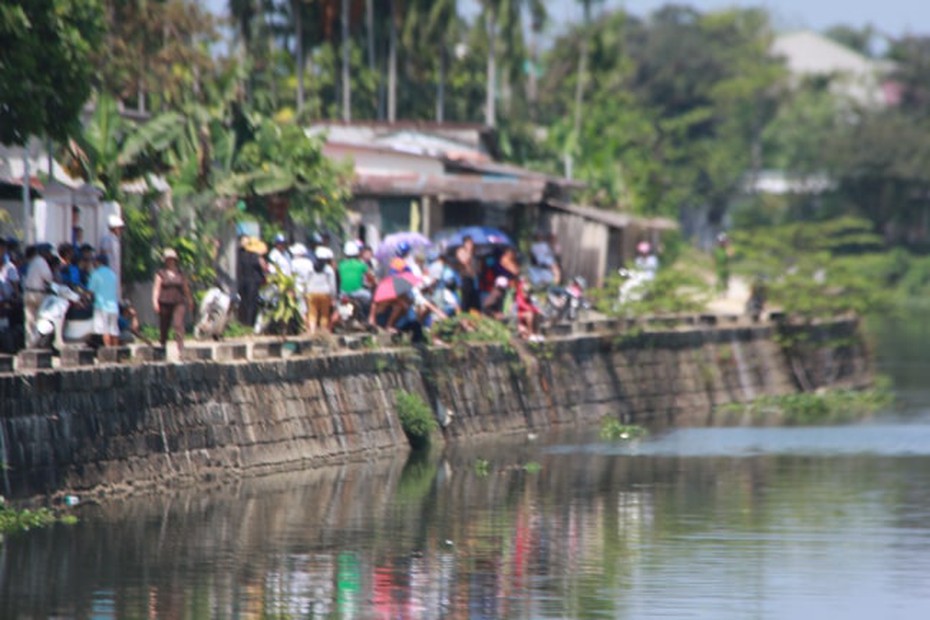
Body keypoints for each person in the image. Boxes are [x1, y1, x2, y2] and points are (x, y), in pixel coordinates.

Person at [152, 248, 193, 354]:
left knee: (178, 324)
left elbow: (185, 288)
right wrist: (155, 302)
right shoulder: (161, 273)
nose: (170, 261)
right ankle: (162, 345)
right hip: (164, 302)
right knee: (164, 325)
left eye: (172, 259)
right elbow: (156, 288)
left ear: (175, 260)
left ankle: (181, 348)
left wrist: (190, 300)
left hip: (178, 302)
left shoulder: (180, 273)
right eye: (168, 259)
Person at [22, 243, 55, 347]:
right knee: (40, 320)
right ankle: (37, 344)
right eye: (49, 252)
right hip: (38, 294)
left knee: (29, 321)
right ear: (44, 253)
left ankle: (29, 344)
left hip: (28, 293)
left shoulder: (33, 261)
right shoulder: (42, 262)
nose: (50, 254)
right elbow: (48, 278)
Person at [87, 254, 120, 347]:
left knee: (105, 330)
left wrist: (85, 296)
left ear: (99, 262)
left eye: (94, 261)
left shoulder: (96, 274)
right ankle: (116, 351)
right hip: (114, 307)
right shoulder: (112, 274)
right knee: (114, 330)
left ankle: (108, 350)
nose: (93, 263)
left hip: (101, 306)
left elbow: (90, 291)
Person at [305, 245, 336, 334]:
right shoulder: (328, 269)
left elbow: (307, 281)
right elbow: (332, 284)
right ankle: (323, 333)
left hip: (311, 293)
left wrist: (305, 292)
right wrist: (333, 296)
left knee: (312, 313)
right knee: (324, 315)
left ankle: (312, 332)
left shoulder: (310, 267)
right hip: (325, 293)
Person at [237, 236, 268, 327]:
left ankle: (243, 323)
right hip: (254, 281)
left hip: (242, 281)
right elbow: (264, 268)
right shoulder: (256, 256)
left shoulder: (239, 255)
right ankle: (250, 323)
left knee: (244, 302)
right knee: (252, 303)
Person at [100, 214, 124, 299]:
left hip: (114, 271)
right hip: (109, 270)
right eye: (118, 228)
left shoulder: (115, 240)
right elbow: (104, 254)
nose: (120, 230)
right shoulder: (107, 239)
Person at [290, 243, 314, 324]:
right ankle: (310, 325)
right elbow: (311, 275)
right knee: (309, 307)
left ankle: (305, 325)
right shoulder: (309, 262)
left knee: (301, 308)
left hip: (298, 287)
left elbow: (292, 276)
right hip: (309, 287)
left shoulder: (293, 263)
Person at [454, 235, 479, 313]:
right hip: (464, 279)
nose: (471, 245)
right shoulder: (461, 251)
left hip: (473, 279)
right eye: (469, 243)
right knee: (465, 302)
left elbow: (476, 268)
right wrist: (469, 252)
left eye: (471, 243)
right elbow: (464, 261)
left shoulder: (474, 253)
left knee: (475, 303)